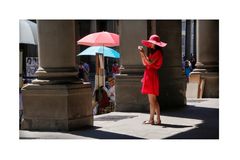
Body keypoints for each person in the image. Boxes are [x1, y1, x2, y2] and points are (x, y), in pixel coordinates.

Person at [138, 34, 167, 125]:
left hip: (151, 75)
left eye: (152, 43)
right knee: (153, 100)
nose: (150, 44)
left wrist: (143, 53)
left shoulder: (157, 53)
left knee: (152, 100)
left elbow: (149, 62)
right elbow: (145, 63)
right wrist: (141, 54)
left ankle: (155, 119)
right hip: (149, 75)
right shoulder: (153, 53)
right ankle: (155, 119)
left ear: (156, 44)